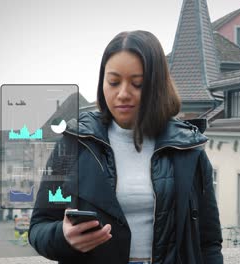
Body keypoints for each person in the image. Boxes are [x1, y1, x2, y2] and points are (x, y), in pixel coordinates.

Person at [29, 30, 223, 264]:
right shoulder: (74, 144)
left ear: (157, 86)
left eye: (137, 84)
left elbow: (209, 241)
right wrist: (63, 236)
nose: (122, 94)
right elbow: (38, 228)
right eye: (113, 82)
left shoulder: (188, 148)